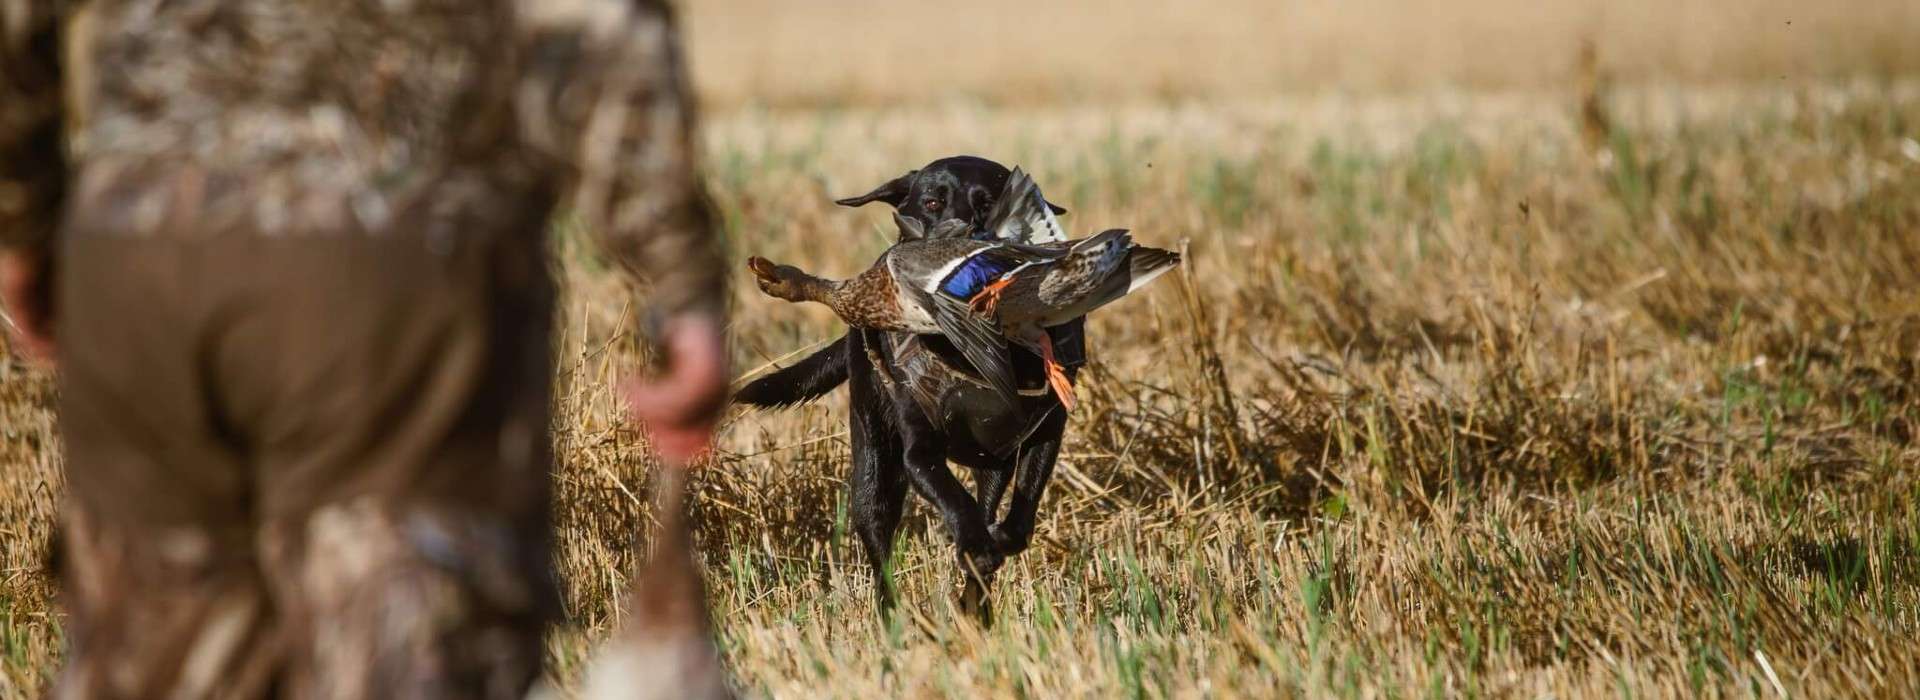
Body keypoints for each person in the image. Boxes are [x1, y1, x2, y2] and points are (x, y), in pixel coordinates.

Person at [0, 0, 729, 697]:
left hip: (140, 263)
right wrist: (680, 283)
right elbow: (604, 25)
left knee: (155, 661)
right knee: (403, 658)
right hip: (393, 279)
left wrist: (22, 221)